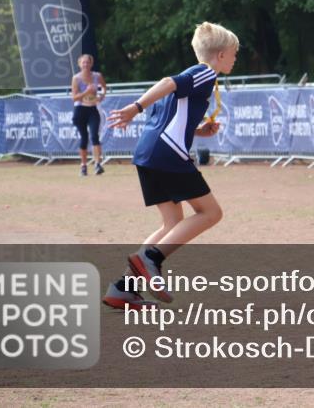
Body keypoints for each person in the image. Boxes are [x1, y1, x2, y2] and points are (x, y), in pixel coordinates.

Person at [101, 22, 238, 309]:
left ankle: (123, 288)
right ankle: (151, 258)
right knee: (211, 212)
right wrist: (134, 107)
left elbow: (168, 114)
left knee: (173, 223)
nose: (236, 58)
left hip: (148, 153)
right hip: (167, 154)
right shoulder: (204, 72)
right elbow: (167, 83)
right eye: (234, 53)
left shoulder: (200, 77)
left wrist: (198, 131)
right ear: (221, 54)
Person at [70, 54, 106, 176]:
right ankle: (83, 166)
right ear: (79, 64)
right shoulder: (76, 78)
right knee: (84, 138)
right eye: (83, 62)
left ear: (91, 64)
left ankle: (97, 164)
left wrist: (100, 96)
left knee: (95, 136)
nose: (85, 64)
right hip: (80, 110)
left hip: (93, 109)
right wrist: (86, 92)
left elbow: (103, 89)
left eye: (87, 62)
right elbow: (74, 97)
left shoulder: (97, 76)